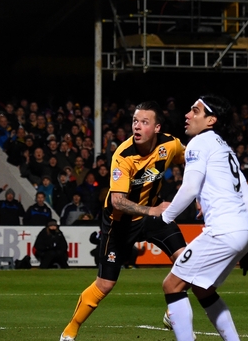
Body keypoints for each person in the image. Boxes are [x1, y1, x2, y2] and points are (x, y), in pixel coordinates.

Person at [60, 101, 187, 341]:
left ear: (157, 127)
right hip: (119, 222)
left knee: (188, 262)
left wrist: (196, 190)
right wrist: (152, 210)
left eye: (144, 122)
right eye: (135, 121)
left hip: (152, 214)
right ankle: (70, 331)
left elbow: (192, 159)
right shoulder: (123, 155)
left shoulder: (170, 145)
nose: (137, 126)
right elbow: (117, 201)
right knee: (105, 284)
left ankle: (173, 312)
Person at [160, 95, 248, 341]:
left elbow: (190, 187)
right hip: (242, 231)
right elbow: (247, 196)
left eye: (195, 111)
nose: (187, 115)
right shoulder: (224, 147)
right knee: (203, 288)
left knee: (172, 285)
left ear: (211, 120)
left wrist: (165, 217)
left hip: (223, 230)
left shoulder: (198, 143)